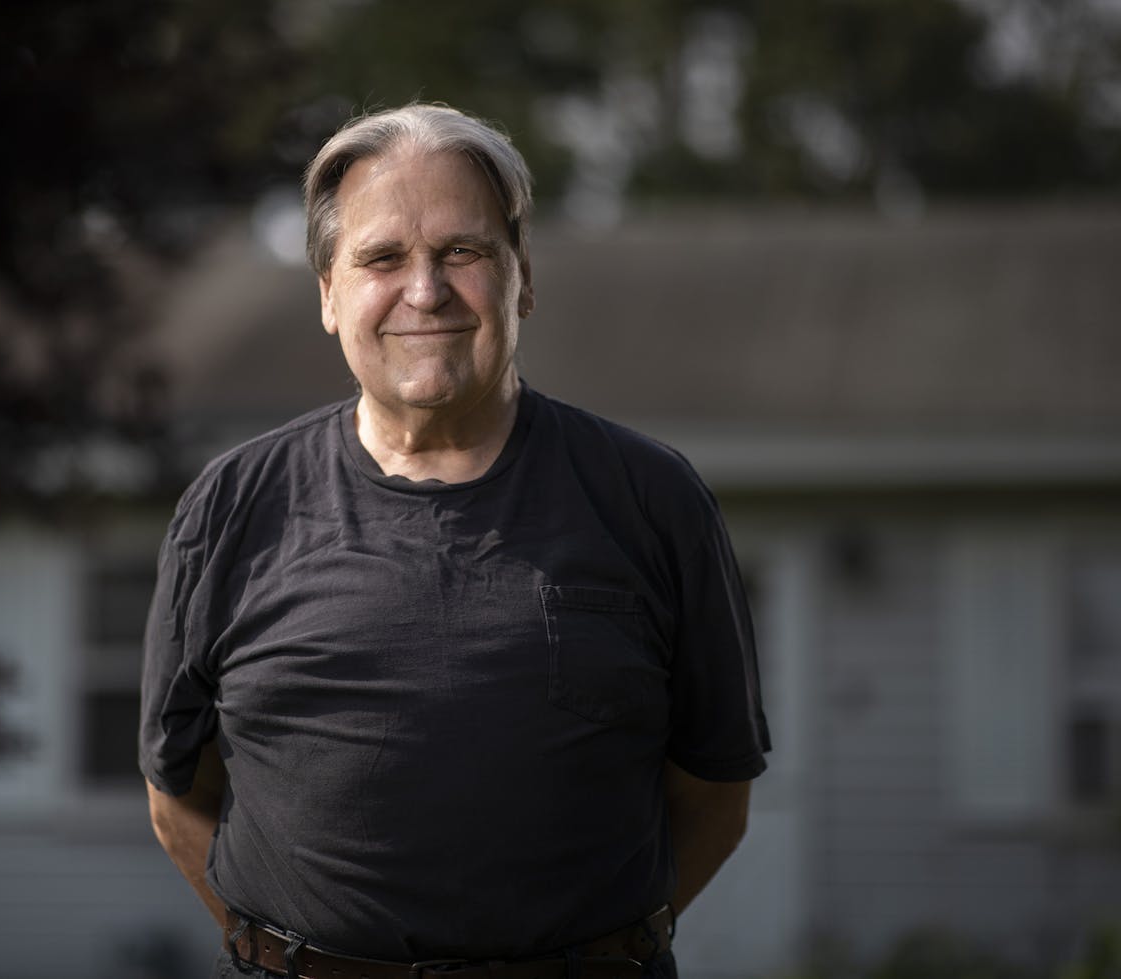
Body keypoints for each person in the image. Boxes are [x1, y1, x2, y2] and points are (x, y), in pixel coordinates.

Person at [140, 103, 770, 979]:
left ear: (522, 278)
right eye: (383, 258)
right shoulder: (232, 509)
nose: (425, 290)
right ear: (328, 293)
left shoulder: (651, 499)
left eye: (462, 252)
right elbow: (179, 799)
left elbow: (714, 797)